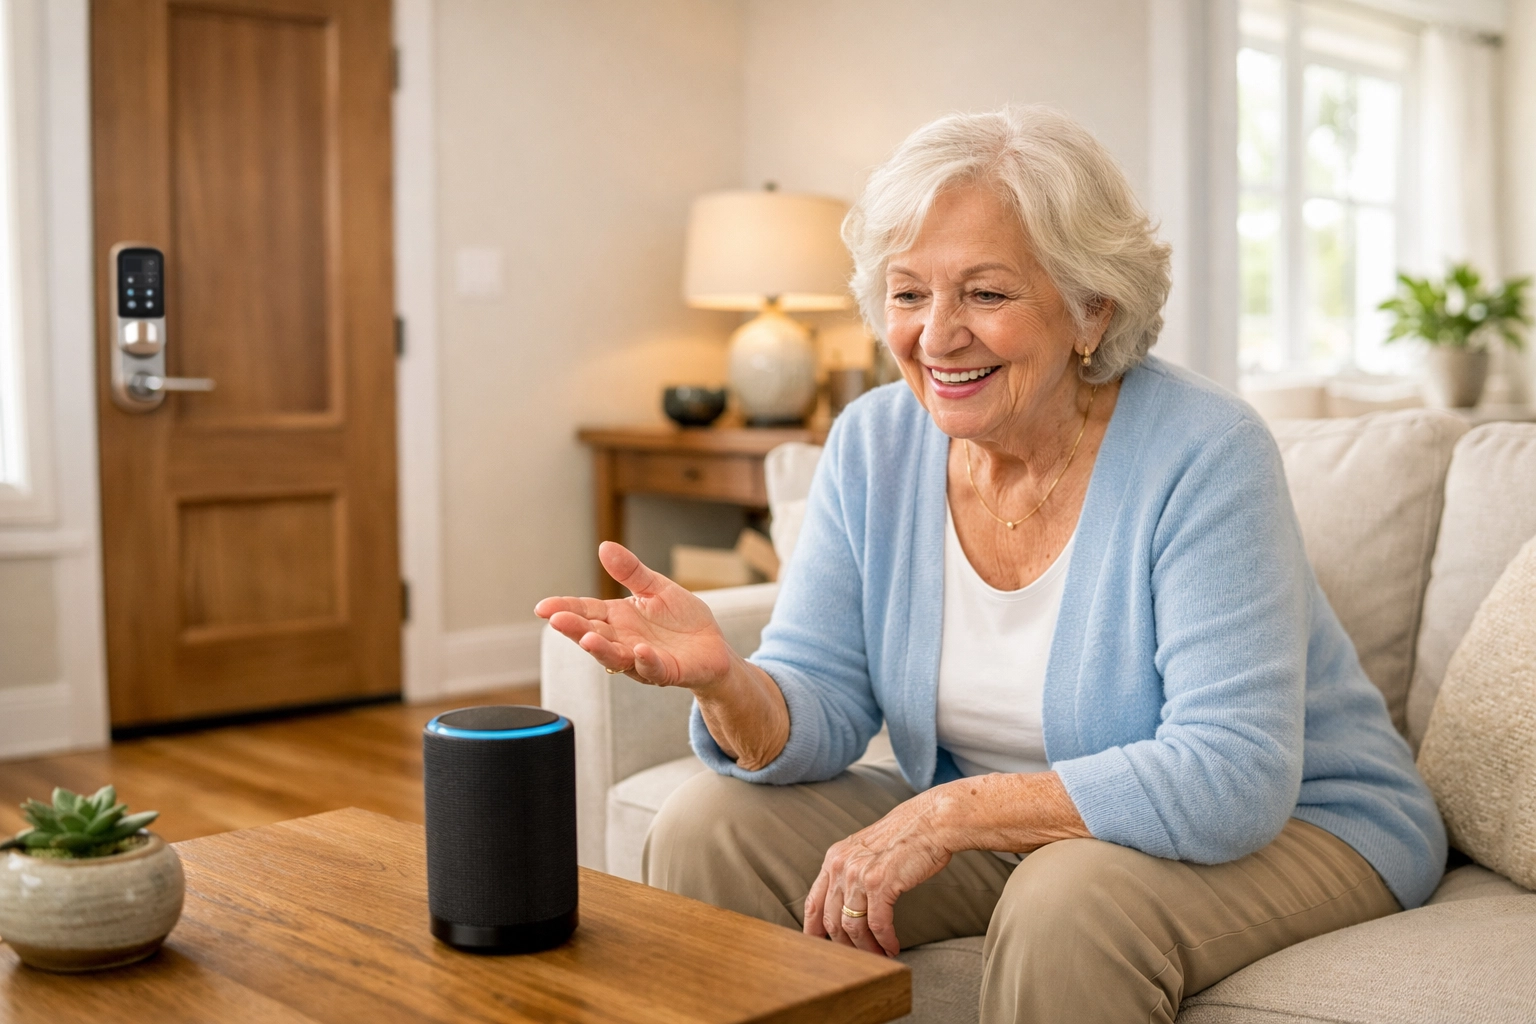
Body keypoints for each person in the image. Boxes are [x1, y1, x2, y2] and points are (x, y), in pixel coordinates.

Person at [536, 106, 1444, 1024]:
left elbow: (1233, 775)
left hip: (1306, 821)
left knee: (1069, 903)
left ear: (1093, 308)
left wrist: (948, 816)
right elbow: (824, 696)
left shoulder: (1206, 453)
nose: (935, 338)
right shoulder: (873, 443)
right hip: (1023, 829)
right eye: (907, 293)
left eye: (985, 294)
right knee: (710, 827)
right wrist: (728, 682)